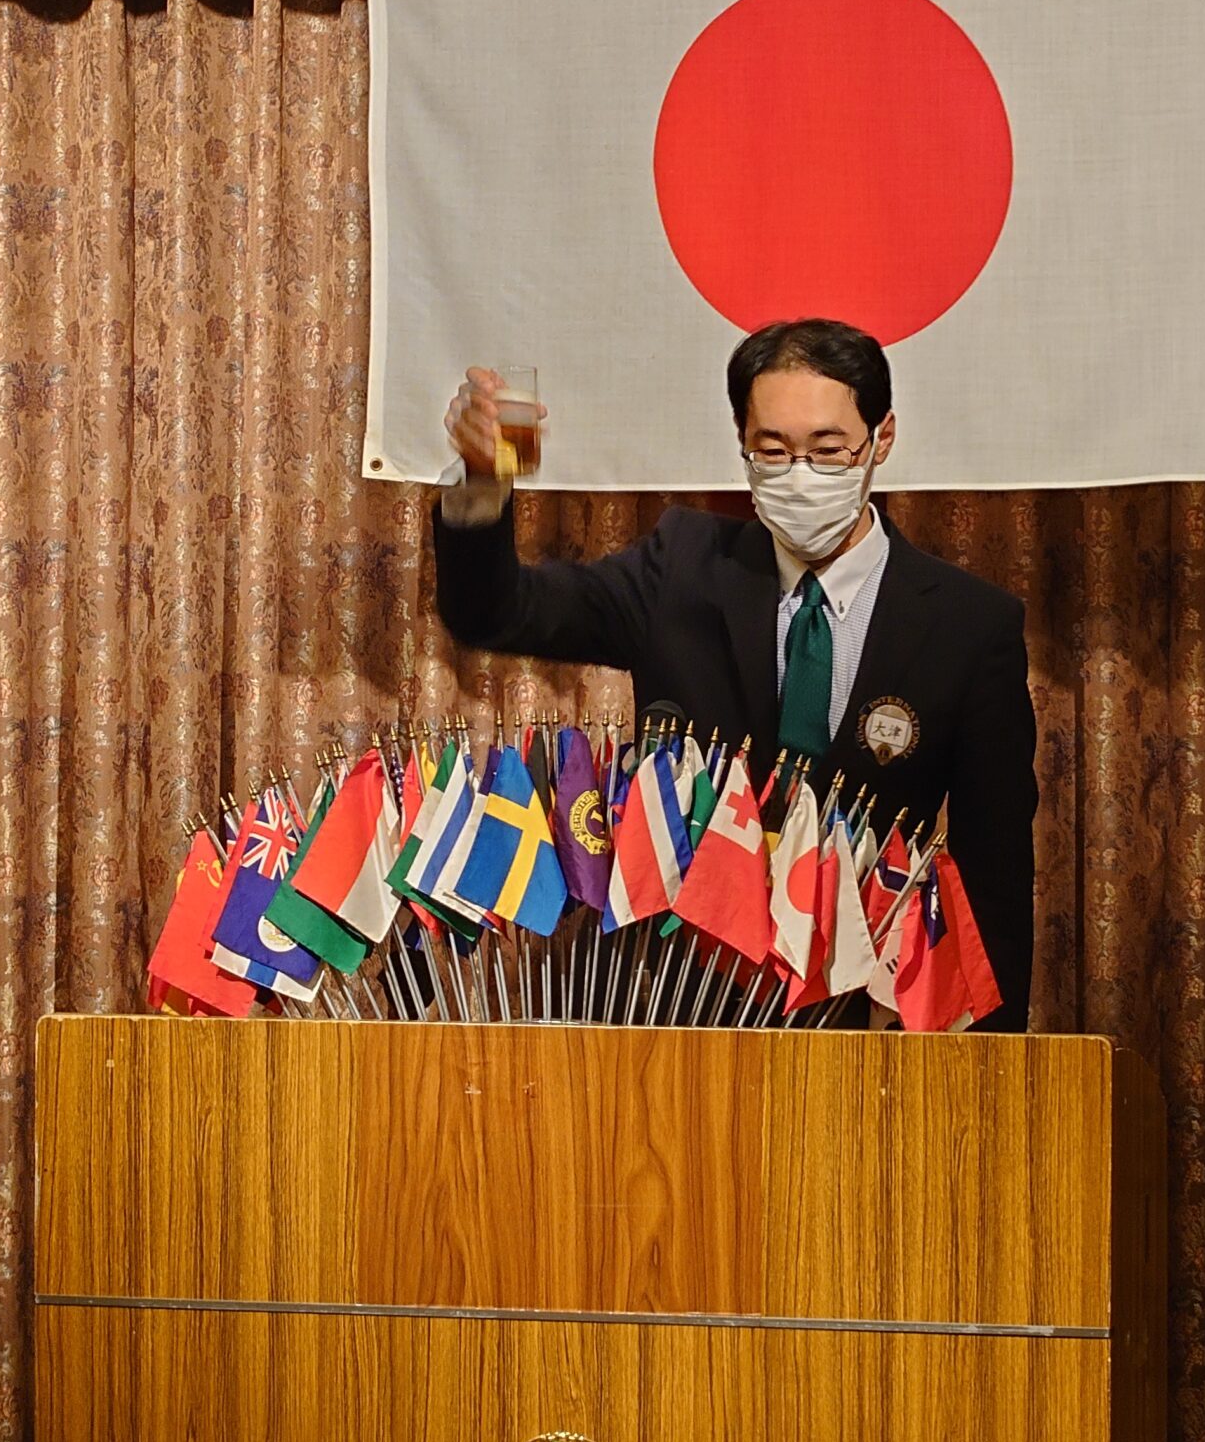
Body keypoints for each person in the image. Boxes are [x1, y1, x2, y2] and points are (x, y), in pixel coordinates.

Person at [433, 317, 1038, 1029]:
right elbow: (496, 614)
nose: (799, 474)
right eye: (772, 451)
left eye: (828, 450)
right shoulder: (682, 569)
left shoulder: (969, 625)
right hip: (683, 1010)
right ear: (742, 443)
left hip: (862, 1020)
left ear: (882, 439)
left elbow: (992, 878)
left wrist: (994, 1065)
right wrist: (481, 484)